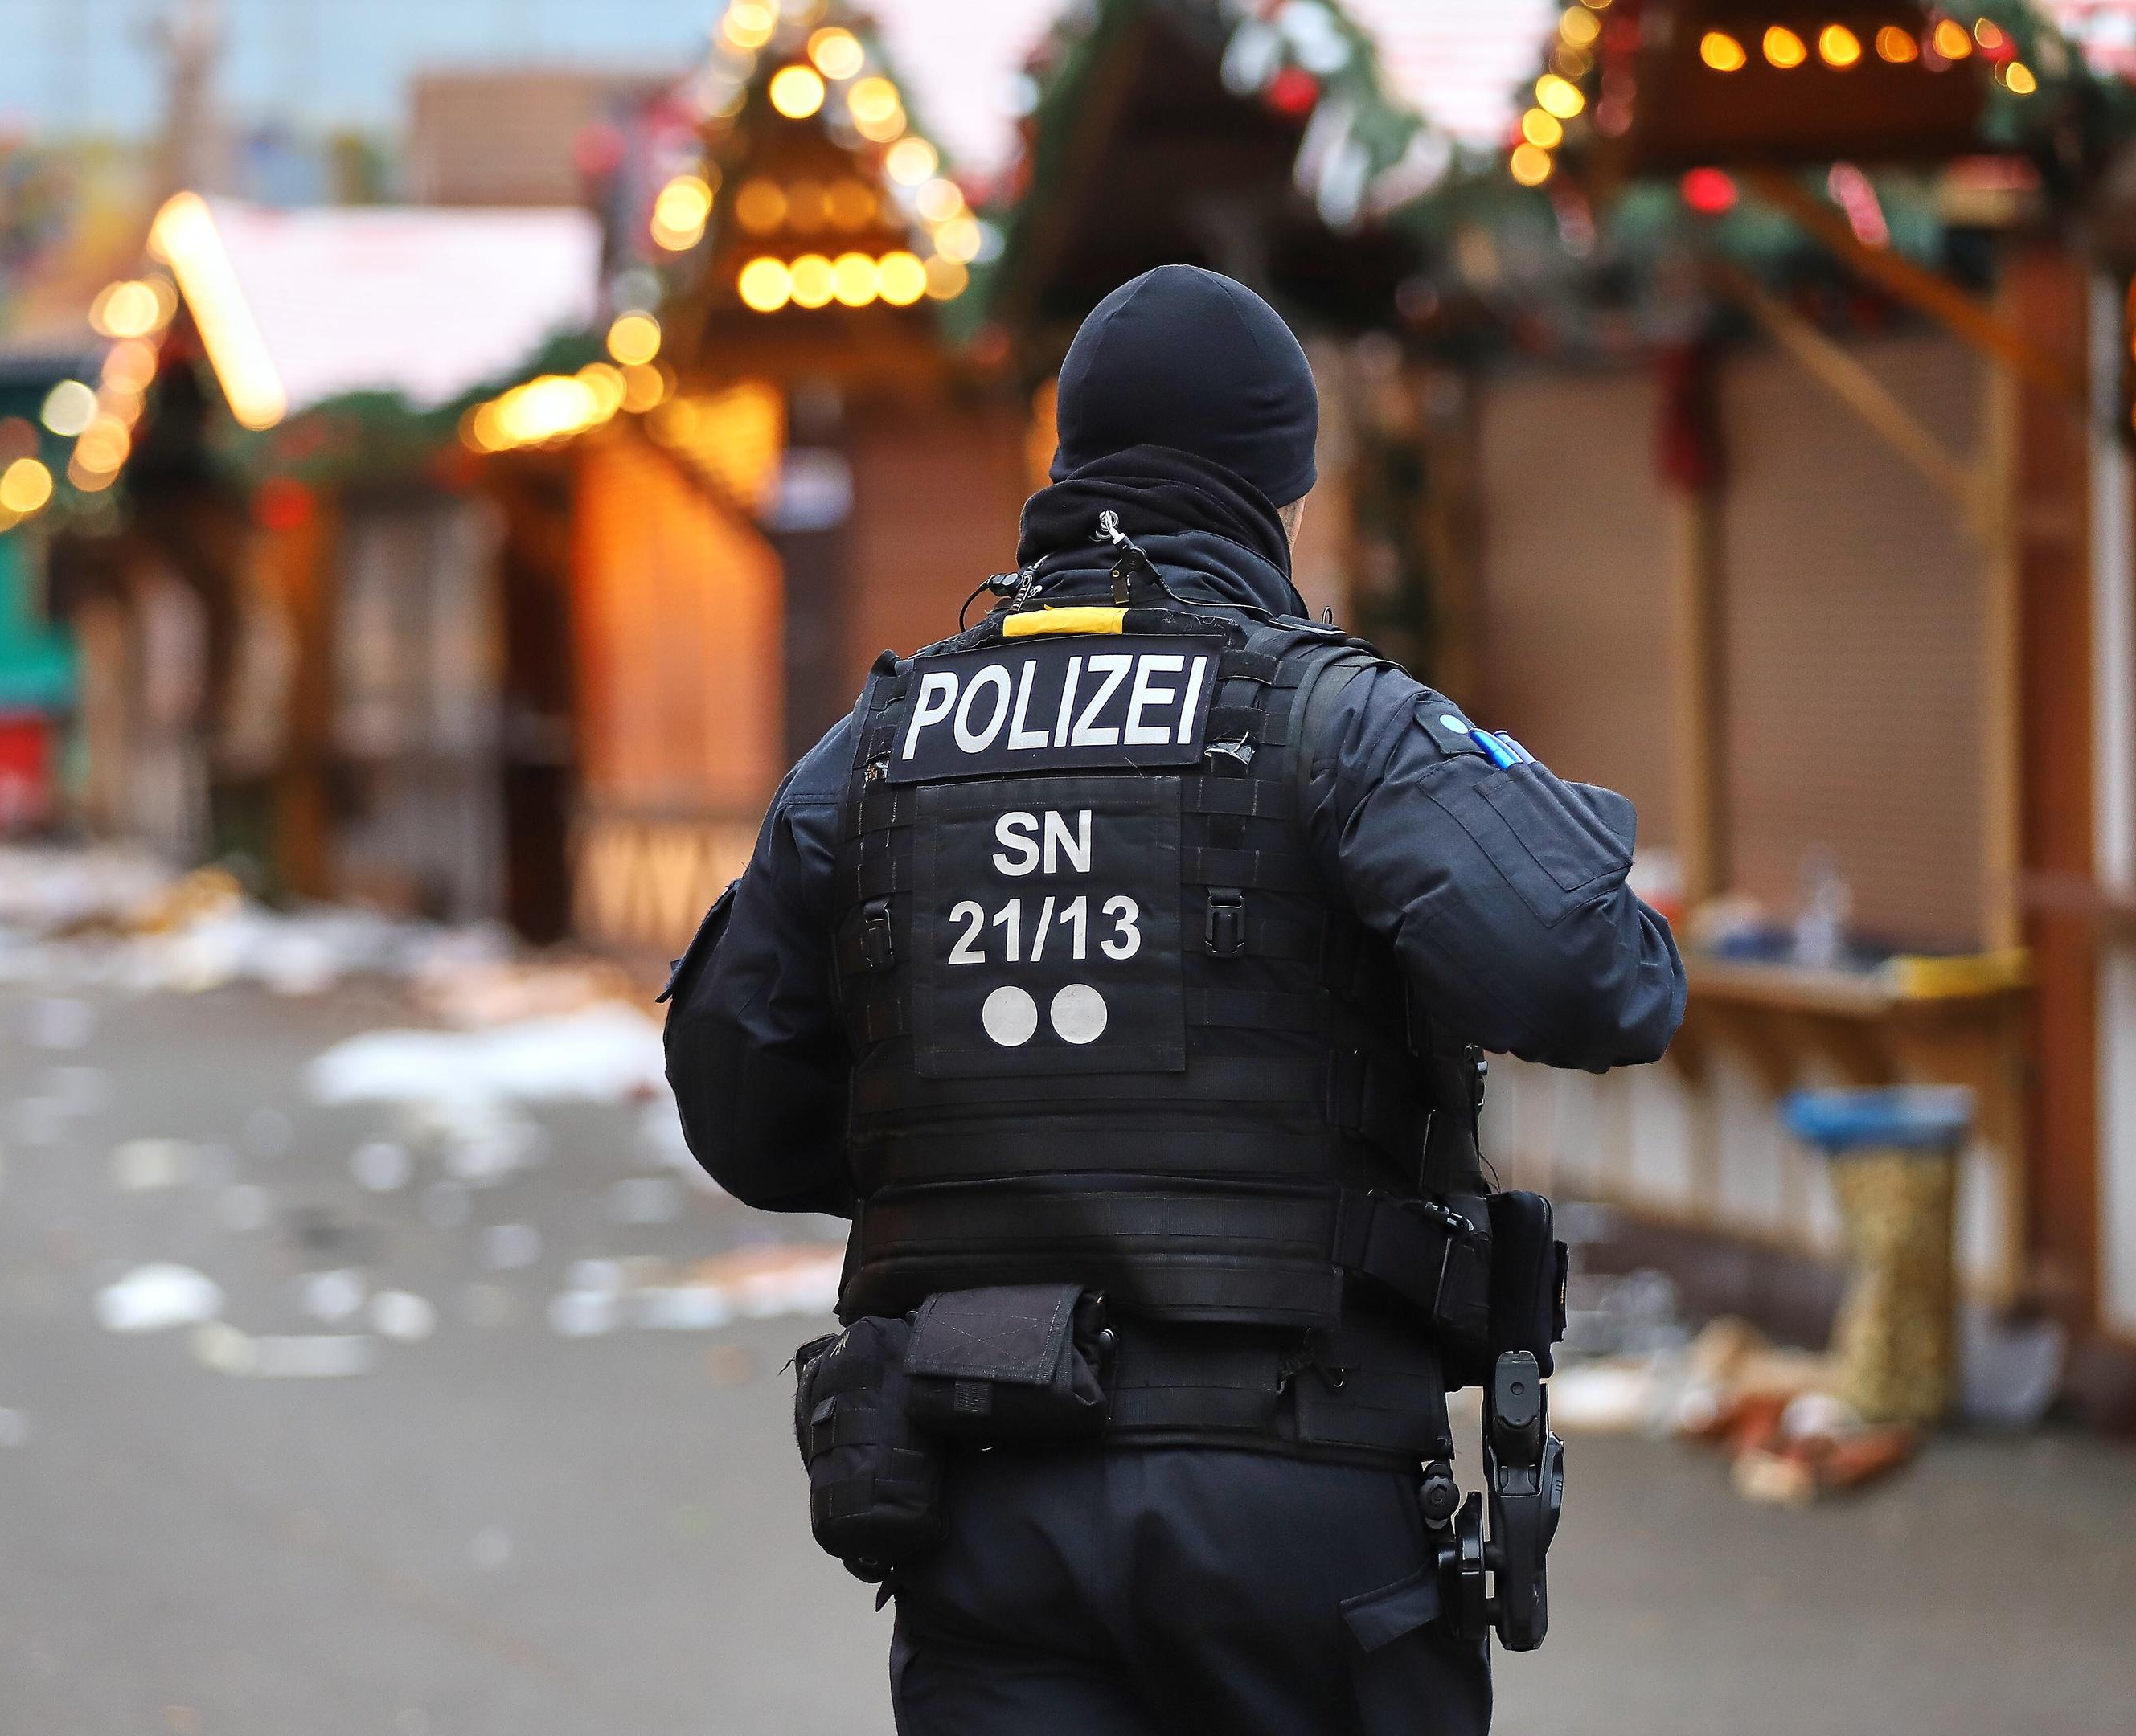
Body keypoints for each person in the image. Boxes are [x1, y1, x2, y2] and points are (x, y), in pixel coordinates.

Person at [664, 264, 1684, 1735]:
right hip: (1299, 1504)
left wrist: (993, 1134)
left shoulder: (877, 748)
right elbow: (1604, 981)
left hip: (983, 1501)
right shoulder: (1337, 719)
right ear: (1281, 482)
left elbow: (745, 1114)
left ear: (1065, 462)